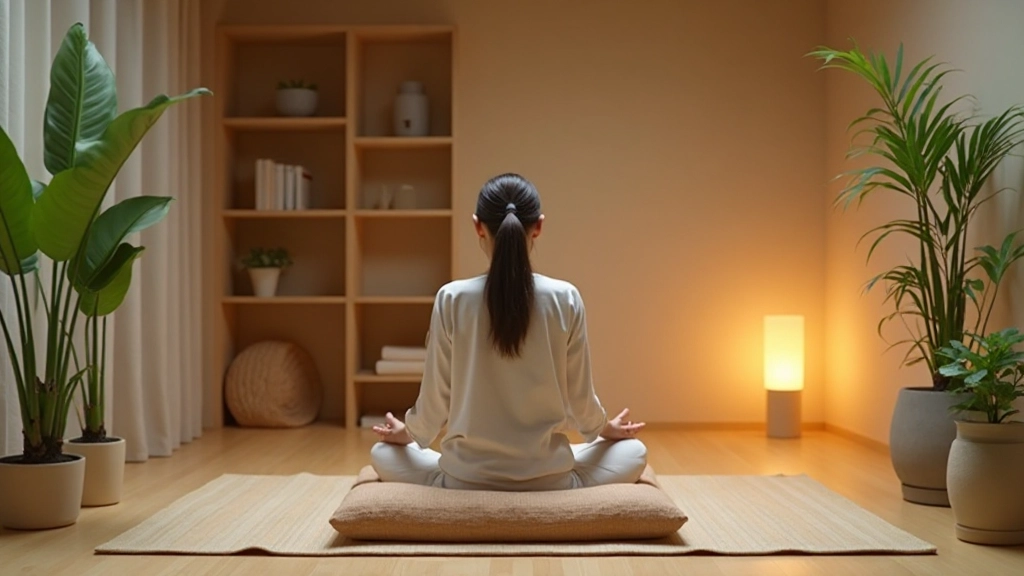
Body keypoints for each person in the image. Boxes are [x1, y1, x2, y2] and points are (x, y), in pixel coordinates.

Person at [370, 173, 647, 491]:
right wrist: (602, 429)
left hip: (464, 480)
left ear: (478, 226)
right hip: (549, 479)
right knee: (634, 451)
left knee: (381, 452)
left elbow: (435, 403)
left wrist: (408, 434)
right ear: (538, 226)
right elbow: (580, 400)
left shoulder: (452, 298)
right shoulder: (566, 297)